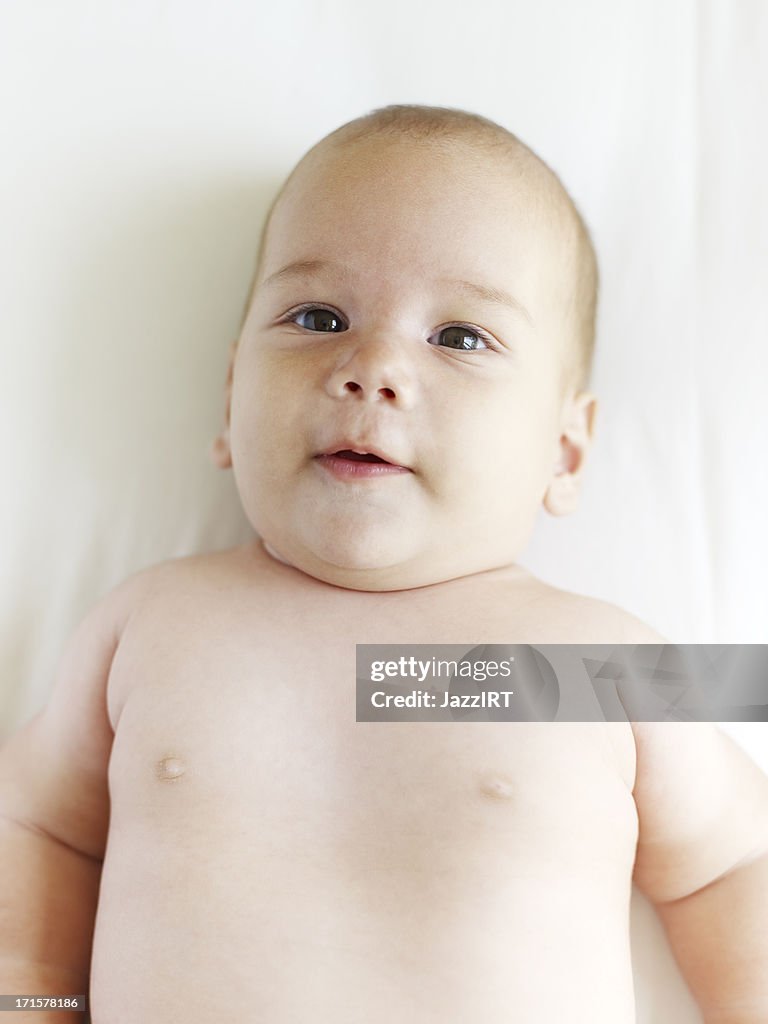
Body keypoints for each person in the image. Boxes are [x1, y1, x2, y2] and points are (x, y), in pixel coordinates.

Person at [1, 104, 766, 1023]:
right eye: (319, 317)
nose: (374, 368)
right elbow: (36, 823)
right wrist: (37, 1000)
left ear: (565, 450)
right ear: (233, 390)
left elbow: (736, 862)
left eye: (460, 337)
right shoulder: (151, 624)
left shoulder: (589, 665)